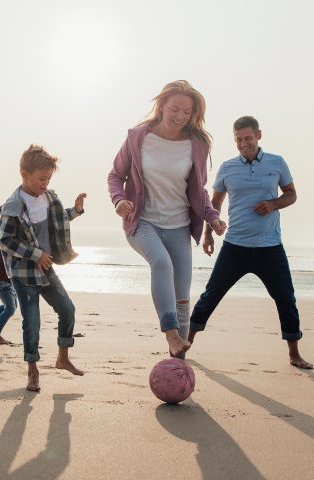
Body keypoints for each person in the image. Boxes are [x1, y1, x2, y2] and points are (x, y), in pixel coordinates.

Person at [107, 80, 226, 359]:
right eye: (175, 109)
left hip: (179, 227)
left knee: (182, 297)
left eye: (188, 112)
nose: (181, 116)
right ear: (161, 106)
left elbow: (199, 191)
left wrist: (213, 218)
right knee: (160, 263)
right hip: (142, 222)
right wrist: (119, 200)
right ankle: (171, 334)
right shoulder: (138, 137)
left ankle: (179, 360)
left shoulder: (196, 145)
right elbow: (115, 175)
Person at [188, 115, 313, 369]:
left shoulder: (277, 163)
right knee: (211, 296)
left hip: (270, 248)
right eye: (238, 139)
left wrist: (274, 204)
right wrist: (208, 233)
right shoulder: (227, 167)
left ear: (258, 135)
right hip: (235, 246)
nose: (243, 143)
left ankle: (294, 354)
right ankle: (184, 344)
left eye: (247, 138)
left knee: (286, 299)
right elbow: (214, 205)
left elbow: (292, 195)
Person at [0, 144, 86, 392]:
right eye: (41, 178)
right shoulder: (13, 206)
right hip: (24, 274)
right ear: (25, 175)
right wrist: (35, 254)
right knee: (32, 322)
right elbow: (3, 240)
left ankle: (62, 357)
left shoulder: (48, 197)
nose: (45, 183)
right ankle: (33, 371)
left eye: (48, 178)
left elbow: (56, 221)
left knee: (67, 309)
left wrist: (76, 211)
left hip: (46, 269)